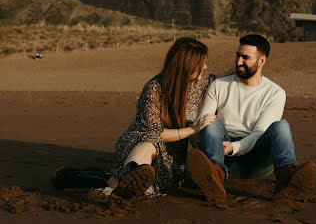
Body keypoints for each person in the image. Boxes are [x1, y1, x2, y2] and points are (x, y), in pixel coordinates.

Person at [52, 37, 233, 199]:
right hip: (139, 143)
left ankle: (112, 180)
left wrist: (242, 67)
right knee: (149, 144)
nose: (206, 66)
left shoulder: (197, 84)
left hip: (173, 154)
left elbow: (219, 77)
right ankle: (131, 173)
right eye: (201, 63)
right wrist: (193, 130)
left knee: (130, 185)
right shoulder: (154, 89)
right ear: (186, 66)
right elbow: (156, 133)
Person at [187, 34, 316, 203]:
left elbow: (259, 133)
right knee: (210, 122)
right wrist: (198, 137)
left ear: (262, 61)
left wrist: (233, 147)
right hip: (220, 156)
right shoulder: (218, 85)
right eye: (237, 55)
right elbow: (203, 123)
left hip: (255, 161)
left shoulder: (275, 93)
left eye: (245, 57)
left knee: (281, 126)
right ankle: (214, 178)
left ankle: (286, 178)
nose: (239, 61)